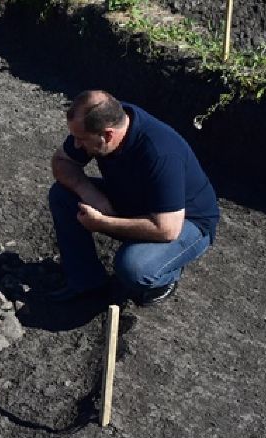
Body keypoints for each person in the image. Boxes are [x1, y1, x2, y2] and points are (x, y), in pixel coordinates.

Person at [46, 90, 220, 306]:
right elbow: (62, 162)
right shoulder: (105, 120)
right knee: (63, 195)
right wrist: (93, 197)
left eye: (81, 139)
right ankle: (87, 282)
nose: (76, 144)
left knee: (134, 268)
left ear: (108, 135)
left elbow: (167, 229)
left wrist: (102, 222)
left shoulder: (160, 152)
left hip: (185, 221)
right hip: (134, 199)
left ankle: (166, 277)